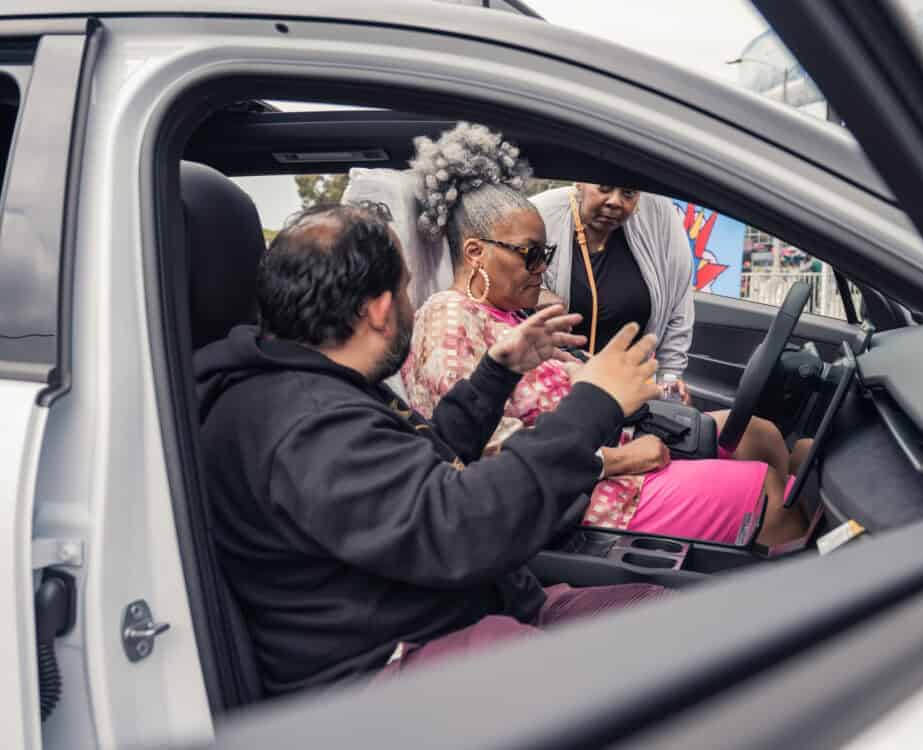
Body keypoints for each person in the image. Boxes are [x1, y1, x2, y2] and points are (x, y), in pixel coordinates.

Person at [195, 201, 673, 694]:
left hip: (449, 612)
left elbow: (419, 470)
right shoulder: (302, 422)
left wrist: (496, 374)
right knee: (665, 672)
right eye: (404, 286)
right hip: (389, 667)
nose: (410, 300)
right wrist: (592, 404)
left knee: (665, 621)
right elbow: (462, 526)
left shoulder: (309, 383)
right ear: (380, 309)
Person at [402, 123, 809, 546]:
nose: (542, 268)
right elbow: (477, 457)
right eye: (531, 255)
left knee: (762, 437)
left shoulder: (505, 316)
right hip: (587, 493)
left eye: (547, 254)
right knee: (767, 494)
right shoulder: (447, 318)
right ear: (475, 253)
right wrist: (616, 460)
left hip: (613, 446)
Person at [533, 182, 803, 478]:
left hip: (638, 400)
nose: (615, 202)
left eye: (629, 193)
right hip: (578, 404)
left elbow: (677, 312)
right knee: (760, 461)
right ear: (579, 181)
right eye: (604, 188)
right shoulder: (539, 218)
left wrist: (670, 385)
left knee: (765, 436)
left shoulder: (658, 215)